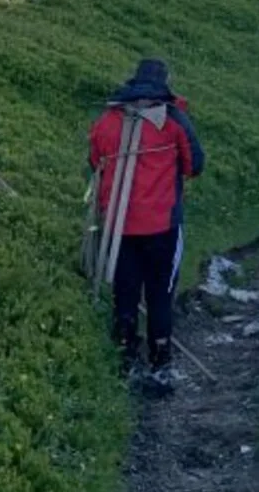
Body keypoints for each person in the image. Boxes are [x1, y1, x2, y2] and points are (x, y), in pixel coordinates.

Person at [89, 59, 204, 392]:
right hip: (163, 225)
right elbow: (194, 166)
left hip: (119, 226)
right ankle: (160, 362)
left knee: (125, 292)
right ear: (164, 84)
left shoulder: (107, 121)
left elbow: (95, 162)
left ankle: (125, 359)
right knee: (160, 294)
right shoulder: (173, 120)